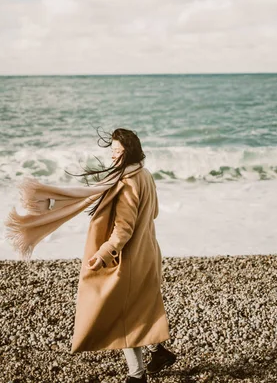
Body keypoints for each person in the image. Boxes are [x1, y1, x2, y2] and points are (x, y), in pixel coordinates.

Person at [69, 128, 177, 382]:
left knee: (123, 316)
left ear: (128, 153)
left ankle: (136, 375)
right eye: (112, 151)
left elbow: (124, 230)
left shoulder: (127, 182)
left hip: (130, 258)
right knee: (138, 310)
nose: (113, 156)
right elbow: (154, 213)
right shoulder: (145, 174)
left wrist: (103, 253)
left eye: (117, 151)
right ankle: (158, 351)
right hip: (149, 251)